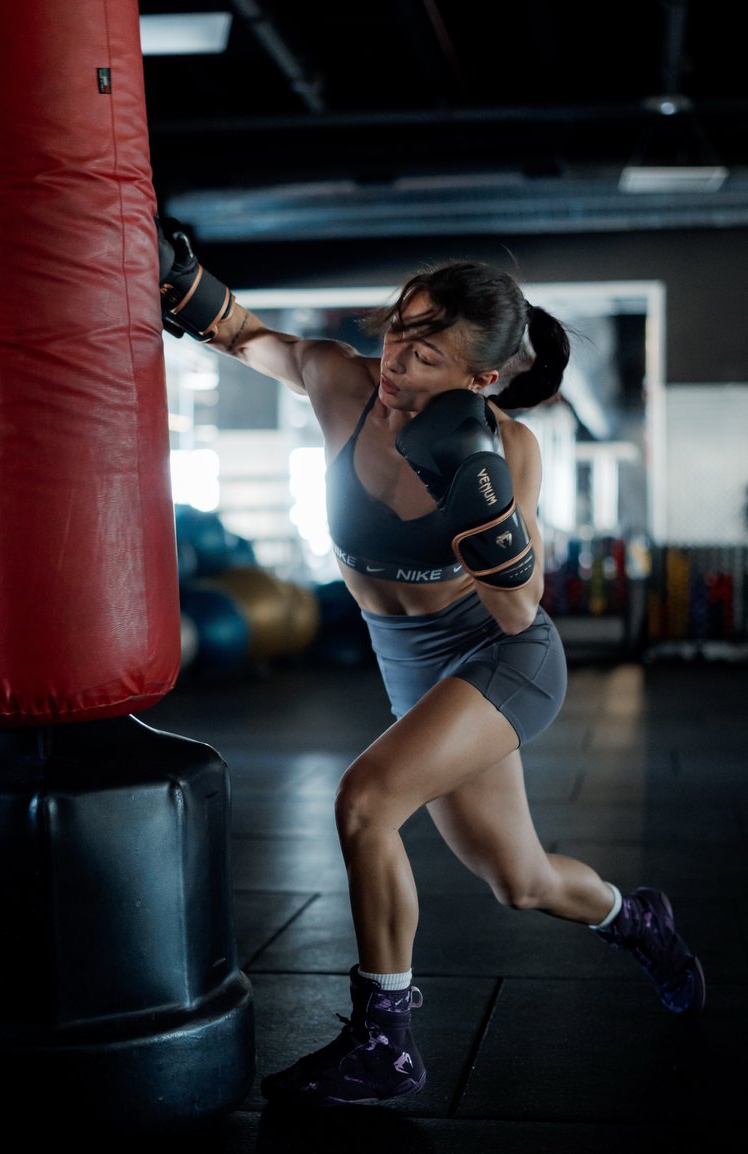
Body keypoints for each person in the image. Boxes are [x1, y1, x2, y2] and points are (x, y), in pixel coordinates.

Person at [156, 219, 706, 1108]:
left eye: (425, 348)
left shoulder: (509, 450)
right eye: (399, 327)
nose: (396, 356)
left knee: (366, 802)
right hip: (409, 667)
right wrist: (180, 280)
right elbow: (249, 336)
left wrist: (474, 494)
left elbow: (519, 609)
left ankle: (386, 1047)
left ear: (482, 379)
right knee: (517, 882)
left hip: (502, 659)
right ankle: (632, 917)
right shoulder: (342, 384)